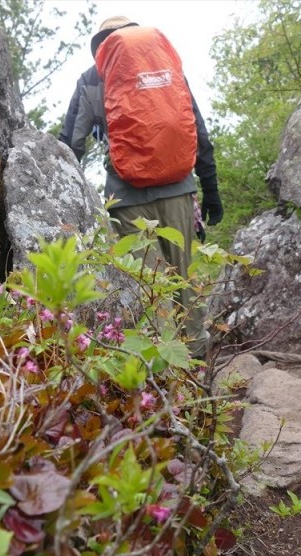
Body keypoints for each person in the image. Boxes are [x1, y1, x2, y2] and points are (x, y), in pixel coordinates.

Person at [59, 16, 224, 360]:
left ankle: (165, 371)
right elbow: (198, 131)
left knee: (150, 285)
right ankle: (196, 356)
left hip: (126, 197)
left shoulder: (92, 79)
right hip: (179, 191)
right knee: (186, 277)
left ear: (100, 46)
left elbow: (71, 145)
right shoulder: (169, 70)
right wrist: (211, 189)